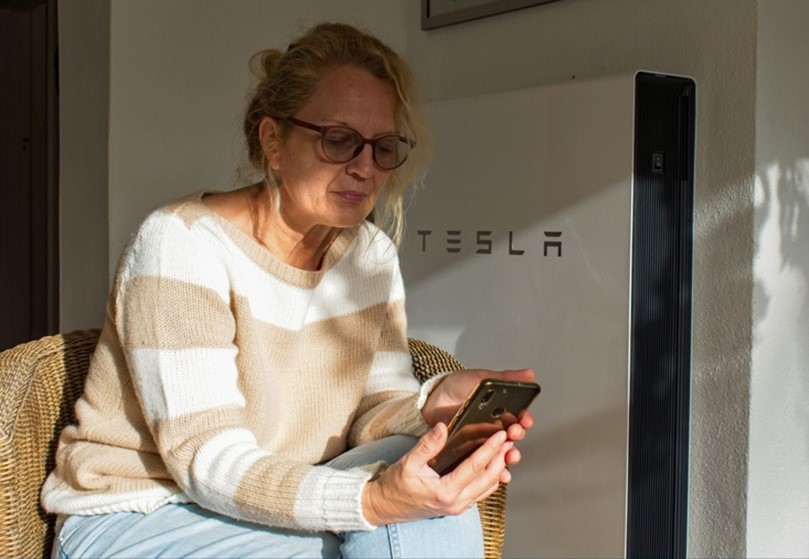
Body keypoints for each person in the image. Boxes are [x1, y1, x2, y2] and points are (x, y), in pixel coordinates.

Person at [42, 22, 535, 559]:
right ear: (273, 140)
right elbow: (205, 459)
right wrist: (371, 502)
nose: (365, 167)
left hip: (272, 492)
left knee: (422, 476)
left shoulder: (367, 255)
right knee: (383, 525)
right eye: (338, 140)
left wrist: (431, 406)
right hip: (142, 515)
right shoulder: (180, 243)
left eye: (383, 146)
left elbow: (373, 412)